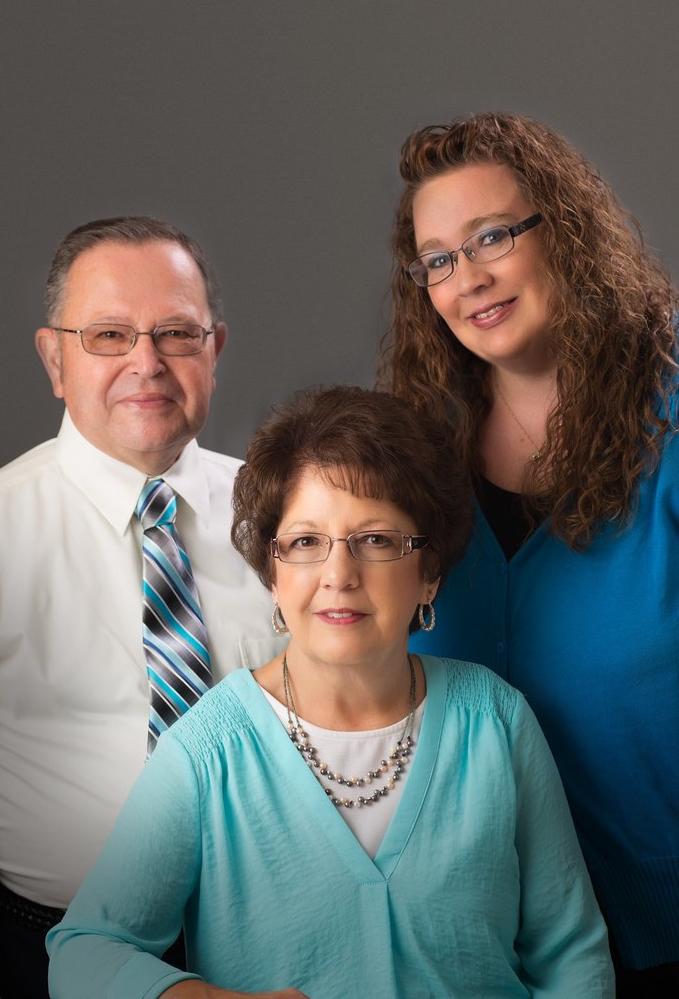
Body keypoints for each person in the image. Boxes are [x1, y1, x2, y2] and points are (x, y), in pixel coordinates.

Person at [47, 385, 614, 998]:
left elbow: (573, 955)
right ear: (272, 573)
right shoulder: (207, 753)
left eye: (376, 540)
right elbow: (82, 952)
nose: (338, 576)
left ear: (428, 573)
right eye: (306, 542)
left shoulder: (497, 721)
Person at [378, 112, 679, 996]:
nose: (468, 278)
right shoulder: (412, 454)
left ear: (566, 231)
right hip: (484, 942)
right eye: (438, 259)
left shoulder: (671, 415)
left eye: (492, 237)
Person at [0, 216, 281, 998]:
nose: (146, 363)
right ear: (54, 358)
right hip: (52, 953)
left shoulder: (289, 516)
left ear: (214, 351)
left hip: (275, 938)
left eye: (176, 334)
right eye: (109, 335)